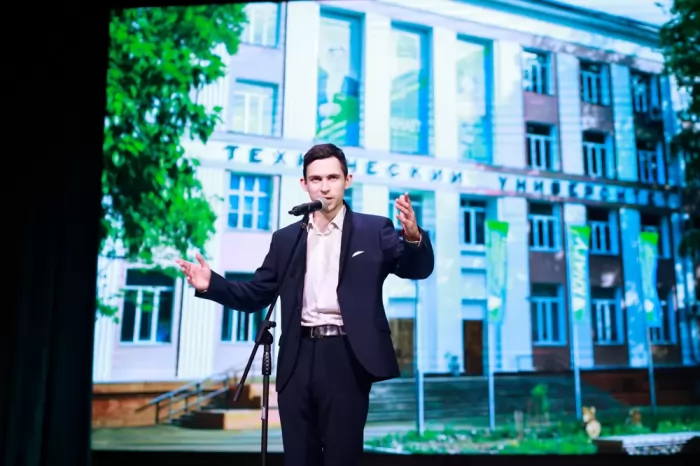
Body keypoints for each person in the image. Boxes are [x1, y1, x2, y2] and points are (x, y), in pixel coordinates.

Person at [175, 143, 434, 466]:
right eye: (316, 179)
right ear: (304, 184)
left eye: (332, 178)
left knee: (342, 456)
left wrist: (412, 236)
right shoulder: (287, 238)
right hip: (297, 358)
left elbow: (416, 269)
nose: (324, 187)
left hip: (347, 356)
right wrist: (211, 283)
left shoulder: (373, 229)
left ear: (347, 180)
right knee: (298, 457)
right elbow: (257, 294)